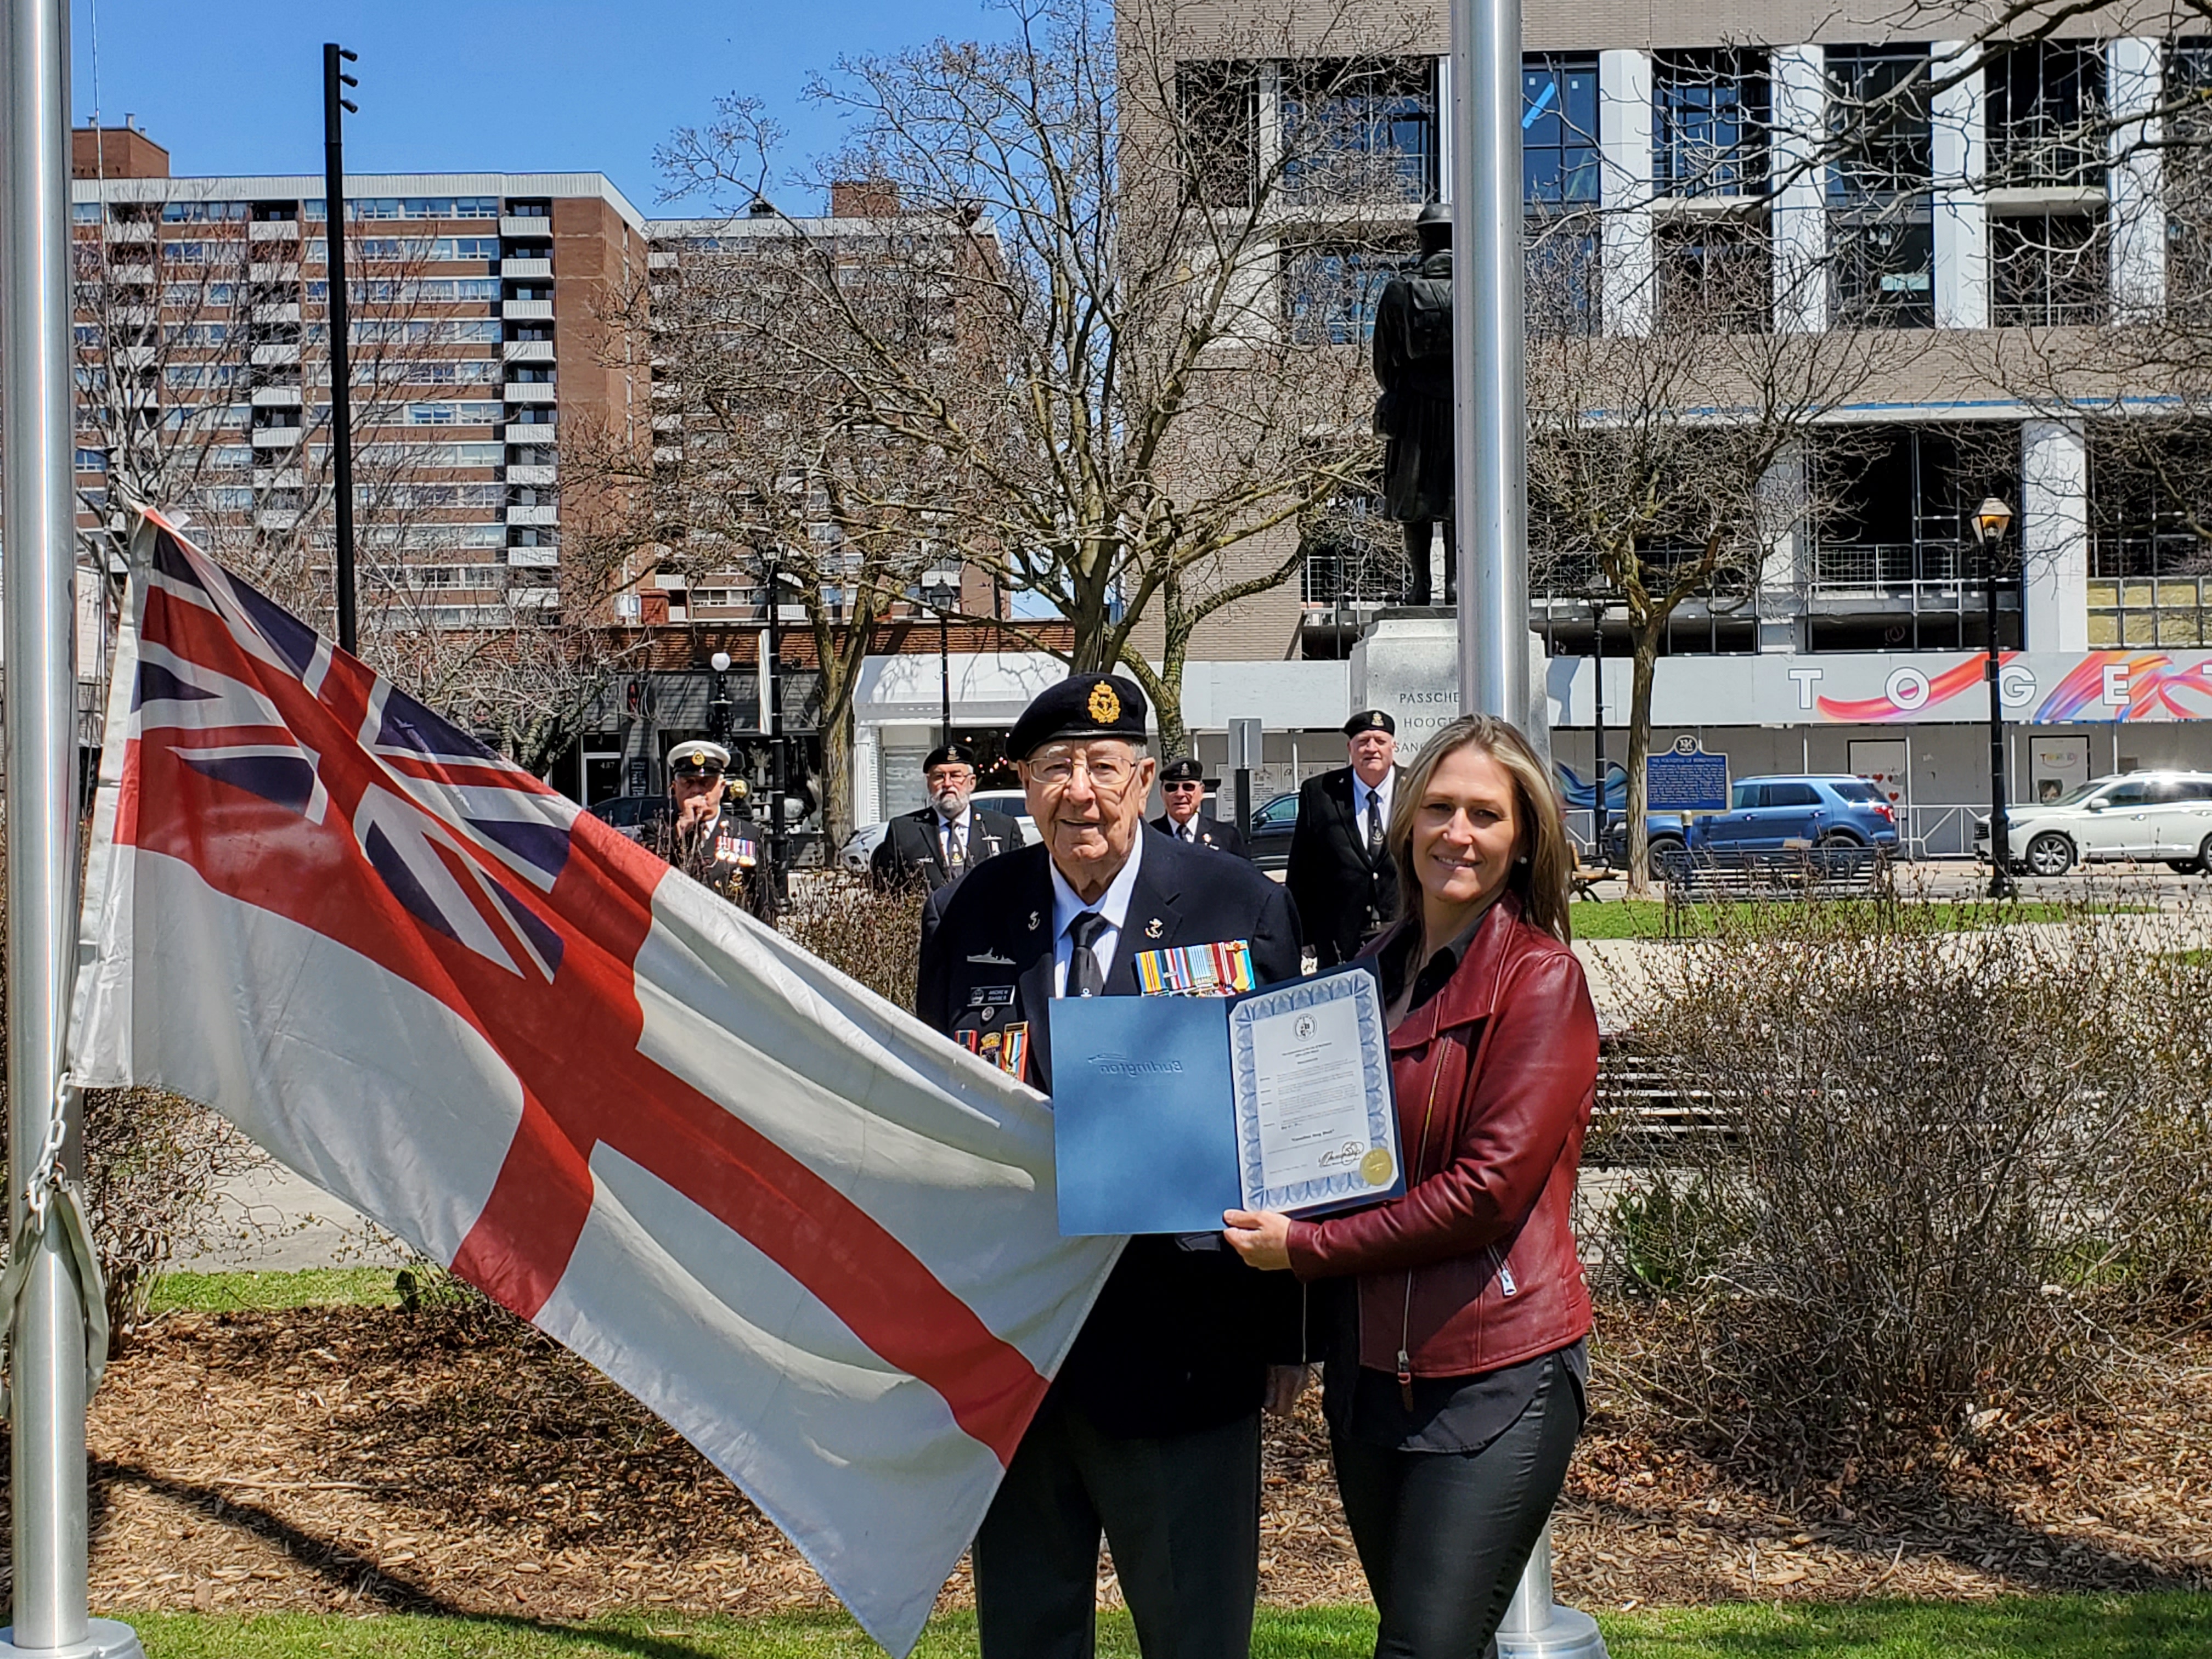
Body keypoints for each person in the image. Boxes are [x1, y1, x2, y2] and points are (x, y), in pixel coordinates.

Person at [917, 673, 1305, 1659]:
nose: (1078, 791)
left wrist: (1287, 1330)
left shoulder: (1239, 905)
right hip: (1022, 1355)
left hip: (1184, 1348)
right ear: (1023, 781)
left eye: (1101, 766)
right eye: (1053, 768)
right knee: (1028, 1635)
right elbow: (936, 1117)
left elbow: (1285, 1132)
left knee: (1194, 1633)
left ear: (1144, 778)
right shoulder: (972, 912)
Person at [1222, 714, 1598, 1659]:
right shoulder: (1361, 977)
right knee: (1429, 1642)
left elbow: (1487, 1193)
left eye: (1484, 813)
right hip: (1370, 1377)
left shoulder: (1541, 980)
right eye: (1438, 807)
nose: (1456, 832)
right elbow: (1313, 1155)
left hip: (1495, 1369)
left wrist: (1303, 1249)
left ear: (1523, 841)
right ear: (1404, 822)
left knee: (1423, 1649)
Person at [1374, 200, 1456, 607]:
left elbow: (1383, 359)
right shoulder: (1483, 286)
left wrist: (1402, 389)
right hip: (1465, 411)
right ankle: (1458, 583)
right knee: (1462, 496)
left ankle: (1421, 586)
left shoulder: (1399, 289)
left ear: (1423, 238)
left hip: (1415, 409)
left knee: (1413, 502)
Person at [1286, 710, 1405, 968]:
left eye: (1380, 741)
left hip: (1406, 931)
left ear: (1394, 746)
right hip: (1340, 940)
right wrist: (1304, 934)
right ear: (1350, 748)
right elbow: (1301, 869)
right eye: (1363, 742)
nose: (1371, 749)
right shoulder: (1320, 792)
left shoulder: (1418, 785)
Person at [871, 741, 1022, 892]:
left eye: (956, 776)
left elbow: (1020, 888)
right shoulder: (903, 832)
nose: (947, 783)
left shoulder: (1004, 829)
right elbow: (886, 894)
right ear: (929, 784)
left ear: (971, 782)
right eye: (939, 777)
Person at [642, 740, 769, 918]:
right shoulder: (658, 830)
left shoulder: (747, 835)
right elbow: (648, 879)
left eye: (706, 783)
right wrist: (681, 830)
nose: (696, 790)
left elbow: (764, 904)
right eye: (689, 782)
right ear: (674, 788)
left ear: (722, 788)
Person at [1150, 755, 1250, 857]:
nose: (1180, 794)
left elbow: (1243, 873)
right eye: (1172, 787)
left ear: (1202, 791)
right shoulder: (1148, 835)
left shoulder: (1227, 836)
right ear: (1162, 792)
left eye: (1188, 787)